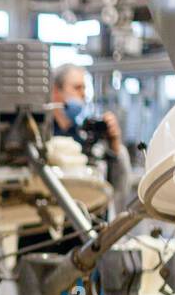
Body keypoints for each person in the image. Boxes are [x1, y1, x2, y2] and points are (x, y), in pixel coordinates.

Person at [50, 62, 133, 204]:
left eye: (84, 88)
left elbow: (120, 190)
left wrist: (115, 146)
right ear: (56, 92)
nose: (83, 94)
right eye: (77, 88)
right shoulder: (42, 134)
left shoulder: (87, 135)